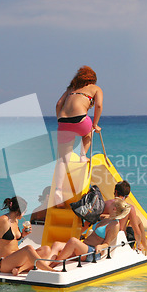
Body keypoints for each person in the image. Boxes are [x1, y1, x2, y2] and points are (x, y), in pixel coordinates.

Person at [54, 66, 104, 208]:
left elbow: (58, 104)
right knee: (88, 131)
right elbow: (99, 106)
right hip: (80, 120)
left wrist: (59, 119)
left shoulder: (71, 89)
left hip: (63, 122)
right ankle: (83, 154)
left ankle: (58, 191)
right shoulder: (95, 88)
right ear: (92, 79)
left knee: (63, 159)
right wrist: (95, 124)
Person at [0, 196, 54, 276]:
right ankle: (49, 270)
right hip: (4, 263)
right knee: (28, 248)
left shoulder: (15, 221)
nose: (23, 214)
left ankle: (19, 269)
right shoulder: (4, 220)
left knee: (46, 249)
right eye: (24, 212)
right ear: (19, 210)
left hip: (16, 260)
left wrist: (22, 235)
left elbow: (11, 241)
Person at [48, 198, 130, 268]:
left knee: (73, 241)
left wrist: (101, 246)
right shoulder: (106, 218)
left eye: (112, 204)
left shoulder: (115, 225)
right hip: (84, 247)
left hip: (93, 252)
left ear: (114, 209)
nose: (109, 205)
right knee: (57, 244)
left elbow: (107, 243)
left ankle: (53, 265)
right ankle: (46, 263)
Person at [103, 181, 147, 251]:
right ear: (127, 196)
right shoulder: (129, 208)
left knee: (136, 219)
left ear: (116, 192)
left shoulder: (106, 204)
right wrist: (137, 245)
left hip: (104, 238)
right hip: (122, 241)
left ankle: (145, 244)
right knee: (137, 219)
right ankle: (145, 244)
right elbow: (137, 232)